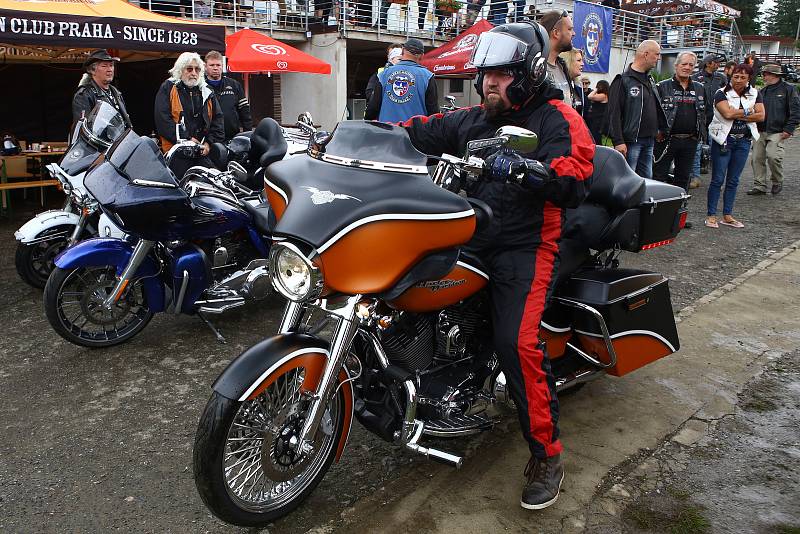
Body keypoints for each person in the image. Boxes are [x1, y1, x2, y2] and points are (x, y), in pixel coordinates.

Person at [401, 21, 594, 511]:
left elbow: (573, 175)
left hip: (526, 245)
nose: (489, 82)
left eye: (502, 74)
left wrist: (527, 168)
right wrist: (346, 136)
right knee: (407, 287)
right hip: (472, 235)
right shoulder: (473, 119)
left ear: (527, 73)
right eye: (486, 74)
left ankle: (547, 454)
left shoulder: (556, 119)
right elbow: (417, 131)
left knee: (518, 343)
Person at [705, 64, 764, 229]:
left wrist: (739, 112)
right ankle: (711, 215)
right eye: (736, 76)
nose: (738, 80)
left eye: (743, 77)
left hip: (743, 141)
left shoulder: (755, 93)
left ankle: (727, 215)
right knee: (717, 179)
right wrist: (748, 112)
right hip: (724, 140)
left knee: (733, 180)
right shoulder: (721, 93)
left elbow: (761, 116)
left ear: (748, 79)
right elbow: (727, 114)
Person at [654, 52, 705, 228]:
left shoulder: (699, 87)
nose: (687, 67)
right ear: (676, 65)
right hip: (667, 140)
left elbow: (705, 113)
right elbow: (655, 112)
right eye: (684, 64)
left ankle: (677, 217)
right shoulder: (662, 86)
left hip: (690, 141)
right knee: (659, 178)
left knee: (683, 179)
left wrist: (701, 134)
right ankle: (658, 217)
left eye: (691, 65)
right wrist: (657, 131)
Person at [154, 52, 224, 179]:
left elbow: (217, 120)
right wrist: (187, 140)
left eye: (197, 69)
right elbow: (162, 121)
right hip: (176, 152)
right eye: (189, 69)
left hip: (201, 152)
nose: (194, 73)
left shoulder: (206, 90)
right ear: (180, 70)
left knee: (214, 182)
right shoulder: (168, 87)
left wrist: (209, 143)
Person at [607, 40, 665, 178]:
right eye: (656, 54)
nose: (659, 58)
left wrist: (659, 128)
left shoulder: (650, 79)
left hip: (649, 140)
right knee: (629, 180)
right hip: (632, 141)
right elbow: (613, 113)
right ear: (645, 54)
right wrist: (618, 141)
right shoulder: (622, 80)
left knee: (647, 181)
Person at [746, 63, 800, 196]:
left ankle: (777, 181)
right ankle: (760, 185)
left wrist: (789, 129)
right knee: (756, 158)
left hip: (778, 130)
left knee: (773, 156)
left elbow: (796, 110)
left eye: (765, 74)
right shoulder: (763, 91)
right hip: (760, 130)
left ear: (774, 75)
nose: (763, 76)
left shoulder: (788, 89)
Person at [364, 38, 438, 122]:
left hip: (388, 130)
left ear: (402, 51)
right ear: (422, 55)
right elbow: (433, 112)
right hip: (415, 132)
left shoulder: (383, 75)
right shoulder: (427, 77)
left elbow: (373, 107)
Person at [689, 53, 727, 189]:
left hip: (716, 119)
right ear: (708, 63)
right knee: (697, 149)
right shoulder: (695, 78)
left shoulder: (722, 78)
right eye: (716, 62)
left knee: (717, 149)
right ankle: (695, 177)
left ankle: (717, 179)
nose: (718, 65)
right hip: (699, 118)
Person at [72, 49, 133, 129]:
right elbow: (83, 129)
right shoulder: (84, 94)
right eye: (104, 66)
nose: (109, 70)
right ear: (92, 70)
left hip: (121, 140)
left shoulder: (116, 93)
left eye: (111, 65)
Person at [204, 51, 252, 142]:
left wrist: (248, 135)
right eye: (212, 65)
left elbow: (245, 112)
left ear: (222, 66)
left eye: (218, 65)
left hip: (232, 138)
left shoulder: (234, 85)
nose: (215, 68)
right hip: (208, 140)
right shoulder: (200, 87)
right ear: (205, 67)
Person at [539, 10, 576, 108]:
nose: (574, 33)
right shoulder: (537, 69)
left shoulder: (562, 66)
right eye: (570, 29)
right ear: (556, 33)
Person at [560, 49, 588, 119]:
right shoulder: (557, 86)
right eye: (579, 60)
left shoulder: (579, 90)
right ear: (568, 62)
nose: (582, 64)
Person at [587, 80, 610, 144]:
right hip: (595, 119)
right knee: (594, 137)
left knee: (595, 137)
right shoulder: (601, 95)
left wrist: (596, 89)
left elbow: (589, 96)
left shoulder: (603, 95)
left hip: (598, 120)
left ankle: (598, 150)